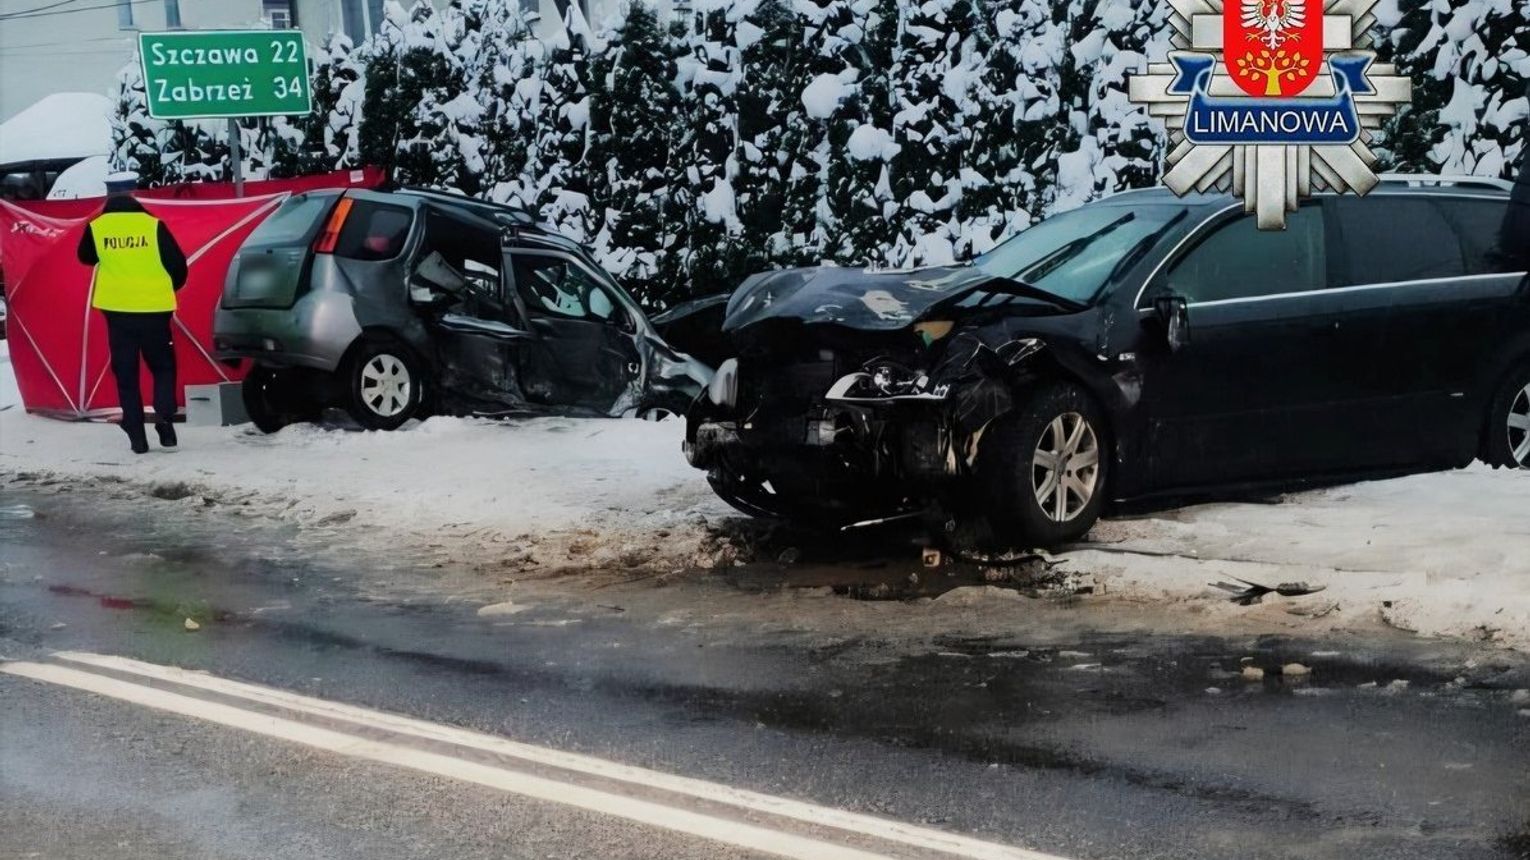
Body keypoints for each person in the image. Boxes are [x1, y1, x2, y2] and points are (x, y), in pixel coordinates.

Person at [75, 172, 188, 454]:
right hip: (154, 309)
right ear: (135, 194)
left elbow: (85, 256)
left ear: (108, 196)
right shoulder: (153, 225)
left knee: (126, 373)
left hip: (117, 312)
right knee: (162, 366)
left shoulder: (97, 227)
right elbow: (177, 265)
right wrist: (167, 287)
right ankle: (164, 420)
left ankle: (137, 436)